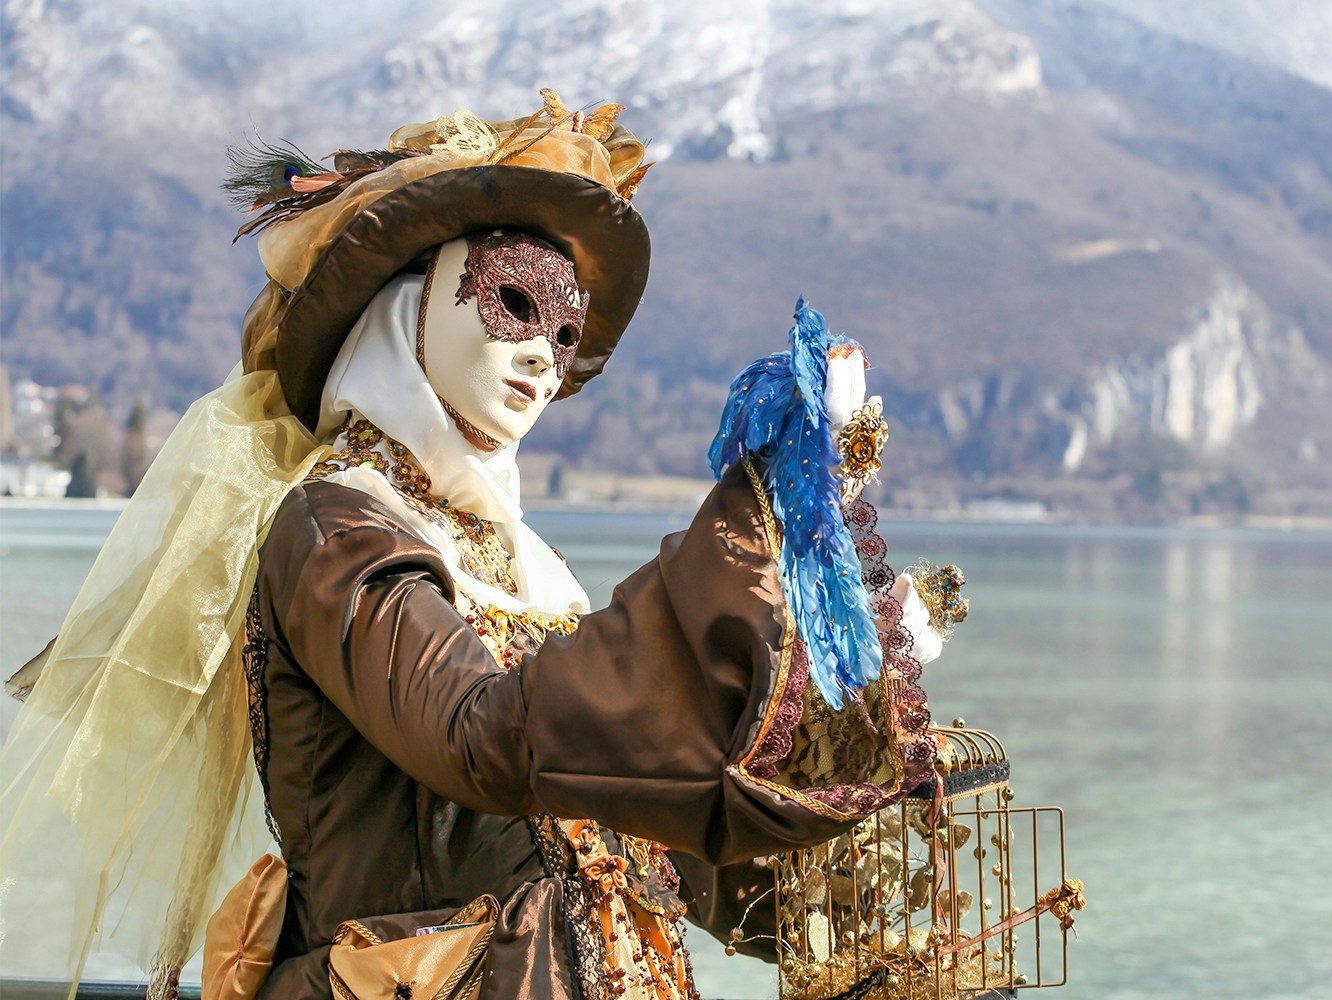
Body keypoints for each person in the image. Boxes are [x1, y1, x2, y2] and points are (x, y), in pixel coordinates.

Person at [0, 95, 952, 999]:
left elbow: (641, 835)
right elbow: (483, 737)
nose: (548, 355)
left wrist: (837, 683)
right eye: (516, 305)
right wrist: (754, 537)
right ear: (409, 305)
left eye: (568, 331)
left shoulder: (531, 569)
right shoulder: (335, 527)